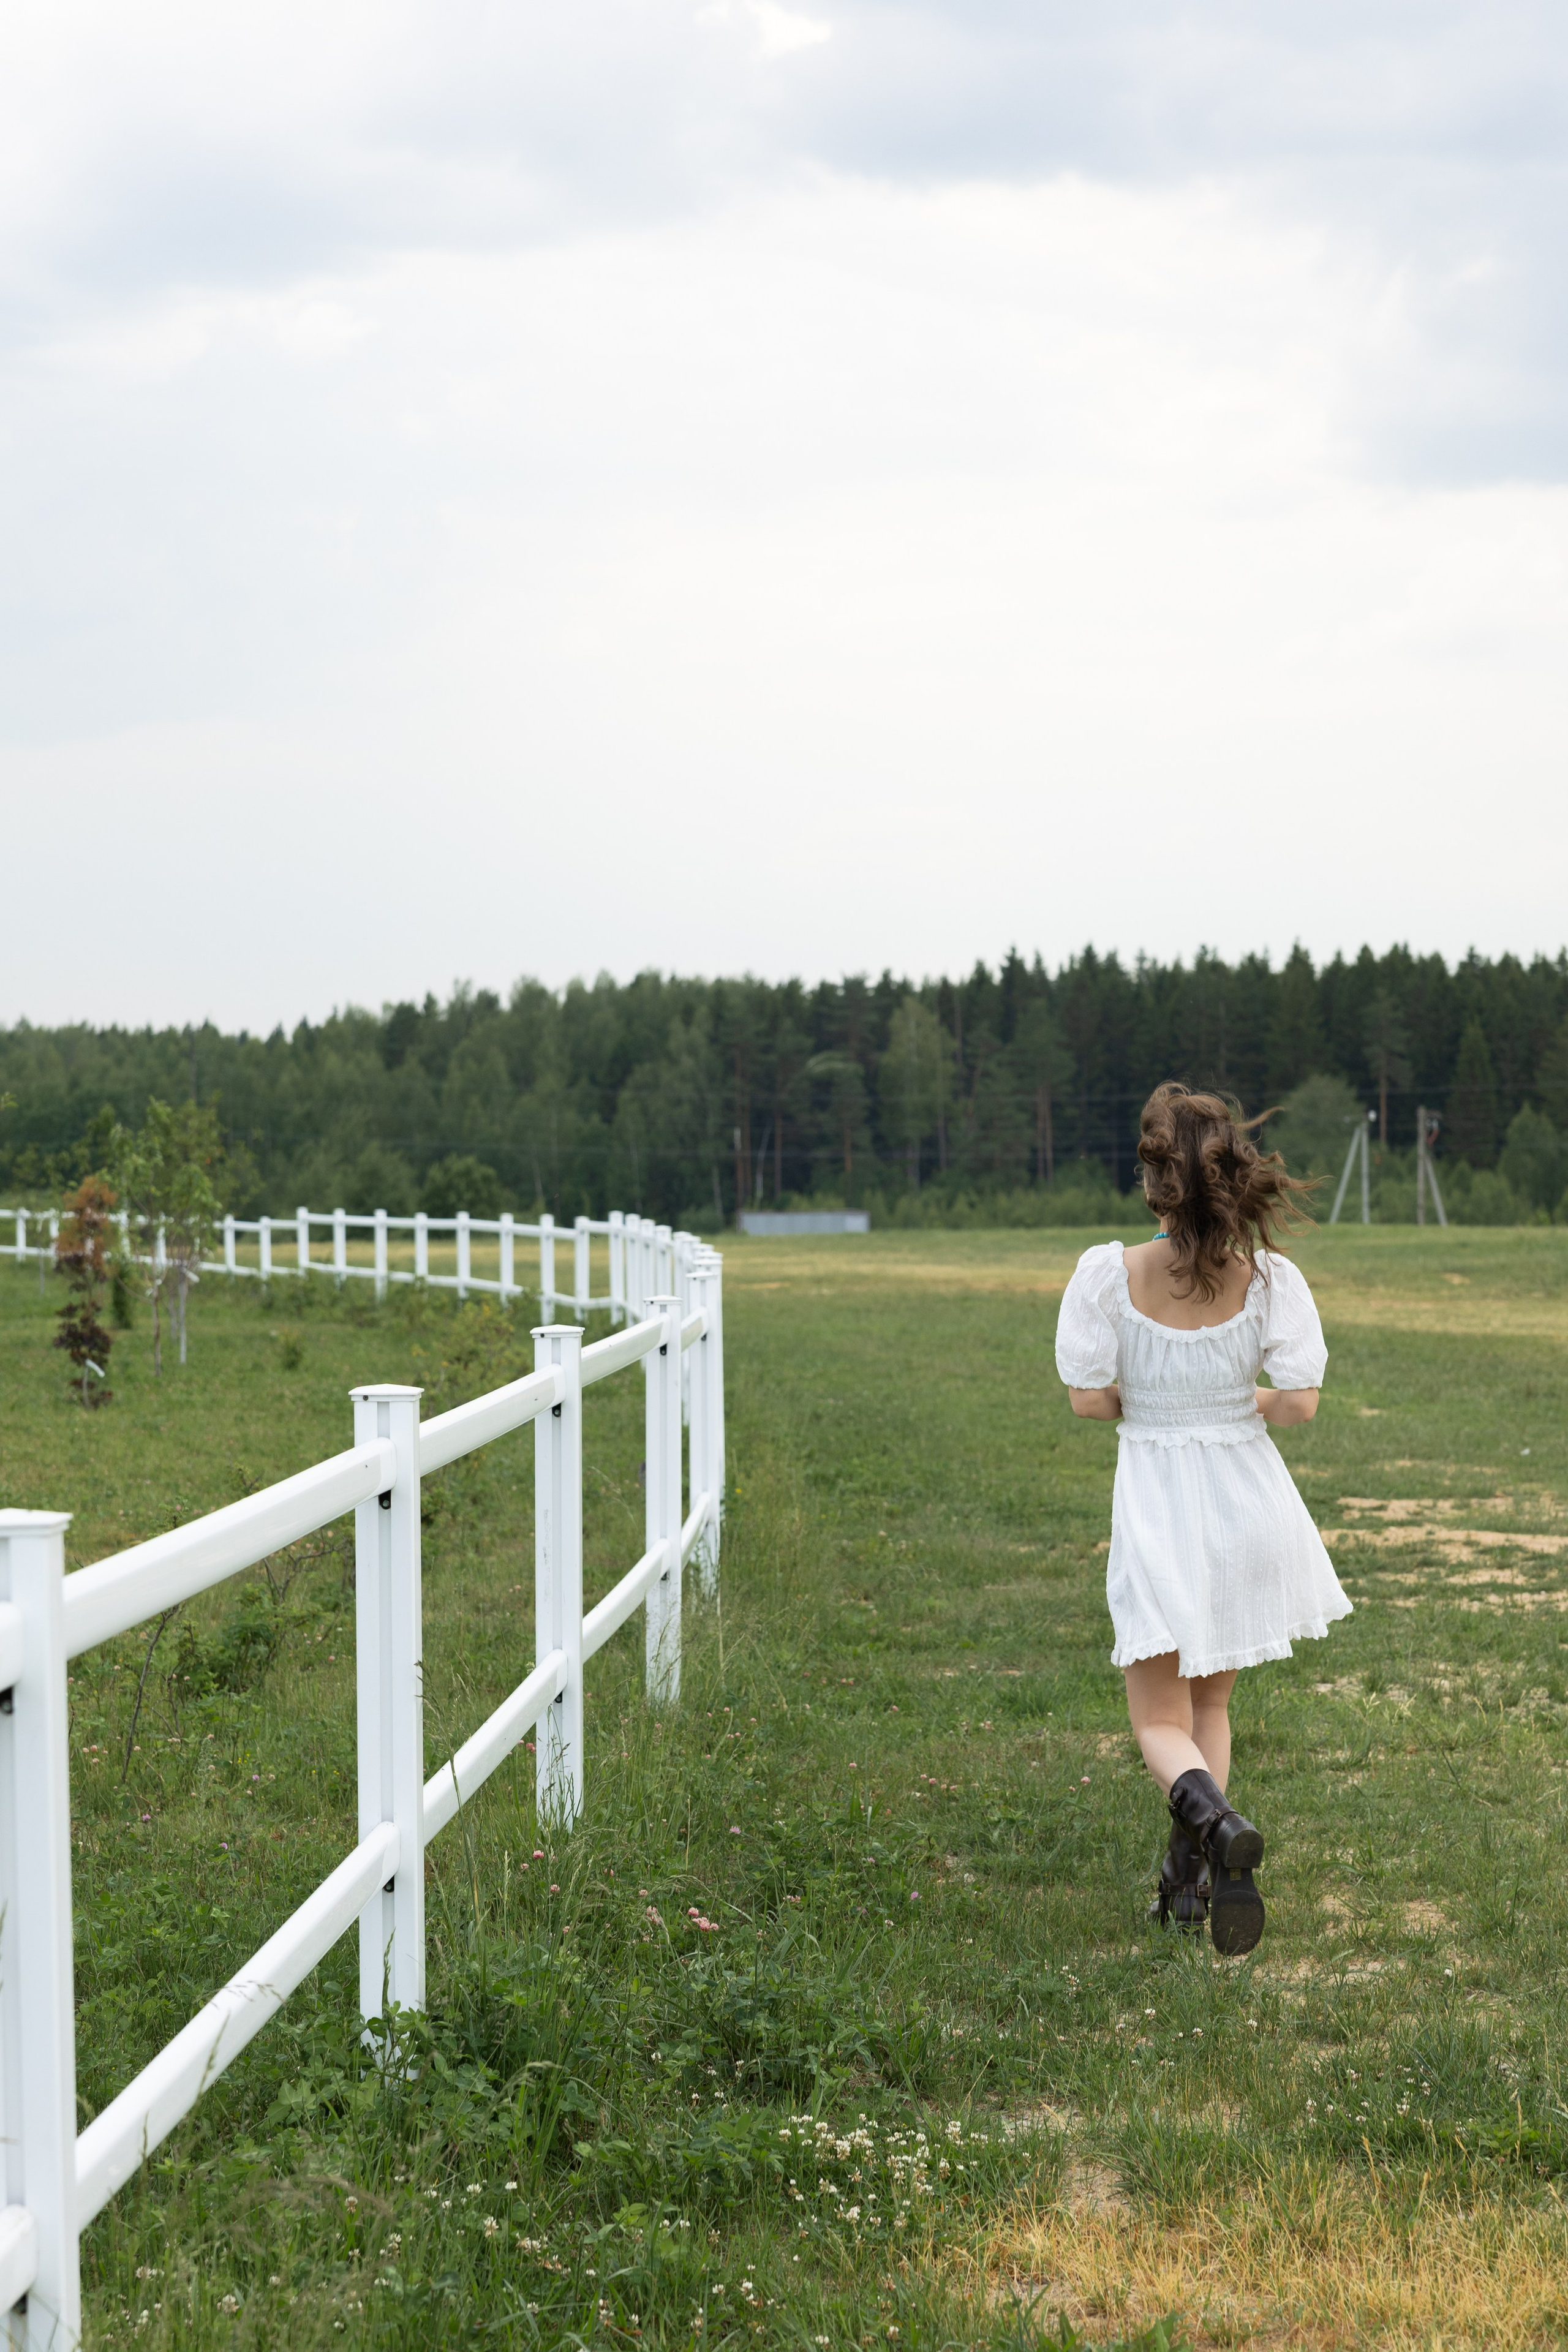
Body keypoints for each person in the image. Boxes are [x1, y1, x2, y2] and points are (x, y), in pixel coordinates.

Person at [1054, 1082, 1350, 1954]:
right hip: (1247, 1505)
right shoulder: (1270, 1280)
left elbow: (1086, 1400)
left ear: (1155, 1181)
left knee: (1157, 1720)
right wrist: (1236, 1397)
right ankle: (1190, 1888)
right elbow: (1299, 1403)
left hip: (1159, 1506)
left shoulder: (1112, 1273)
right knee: (1209, 1704)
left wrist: (1143, 1400)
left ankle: (1219, 1833)